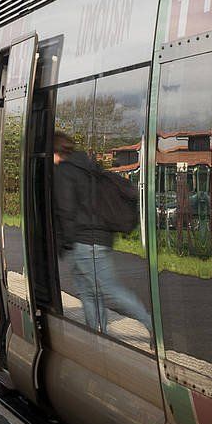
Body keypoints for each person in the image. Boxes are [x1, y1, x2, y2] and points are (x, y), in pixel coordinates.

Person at [52, 131, 153, 336]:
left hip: (84, 241)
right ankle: (97, 335)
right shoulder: (89, 166)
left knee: (108, 289)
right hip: (100, 238)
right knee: (88, 292)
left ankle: (151, 325)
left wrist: (66, 242)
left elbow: (65, 209)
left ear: (55, 151)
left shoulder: (65, 171)